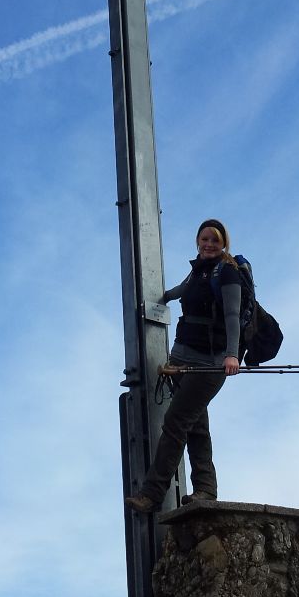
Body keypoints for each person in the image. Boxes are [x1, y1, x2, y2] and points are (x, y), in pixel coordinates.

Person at [124, 218, 242, 513]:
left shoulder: (227, 272)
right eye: (204, 239)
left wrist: (232, 355)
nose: (208, 244)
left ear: (223, 242)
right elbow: (180, 291)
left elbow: (232, 316)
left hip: (210, 365)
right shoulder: (198, 271)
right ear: (197, 241)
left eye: (214, 240)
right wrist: (159, 296)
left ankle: (151, 495)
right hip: (182, 360)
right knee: (196, 426)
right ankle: (205, 489)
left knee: (176, 422)